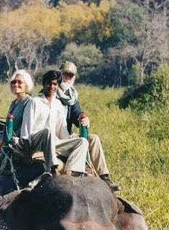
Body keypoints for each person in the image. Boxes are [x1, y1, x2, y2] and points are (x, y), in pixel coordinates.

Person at [57, 61, 120, 192]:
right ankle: (73, 173)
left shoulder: (71, 96)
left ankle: (104, 177)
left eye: (70, 76)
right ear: (59, 74)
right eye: (65, 74)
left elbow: (76, 113)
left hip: (68, 134)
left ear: (74, 78)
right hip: (56, 136)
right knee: (81, 141)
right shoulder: (51, 92)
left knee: (94, 138)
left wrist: (84, 118)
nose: (67, 78)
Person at [20, 70, 89, 175]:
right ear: (44, 84)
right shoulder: (34, 102)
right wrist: (27, 149)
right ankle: (52, 168)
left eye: (54, 84)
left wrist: (68, 144)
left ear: (58, 86)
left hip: (54, 142)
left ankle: (70, 172)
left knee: (83, 142)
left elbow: (62, 129)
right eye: (48, 83)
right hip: (37, 140)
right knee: (48, 131)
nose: (51, 87)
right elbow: (26, 127)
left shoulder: (58, 104)